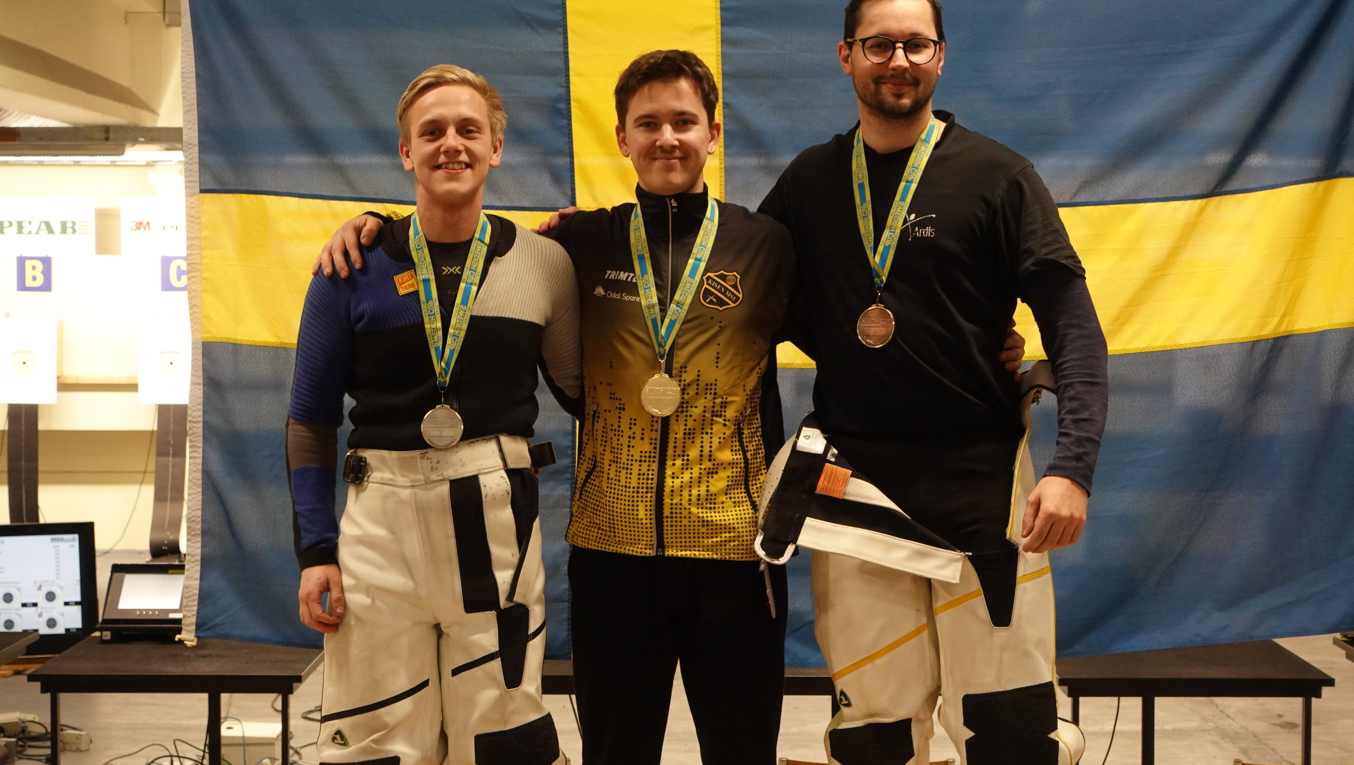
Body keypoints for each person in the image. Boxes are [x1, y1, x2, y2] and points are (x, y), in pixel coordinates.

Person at [315, 50, 1028, 765]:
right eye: (648, 123)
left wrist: (981, 345)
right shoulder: (575, 244)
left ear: (712, 134)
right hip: (611, 555)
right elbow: (470, 254)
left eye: (683, 122)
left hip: (737, 553)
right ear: (621, 137)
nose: (666, 138)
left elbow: (860, 333)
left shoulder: (767, 244)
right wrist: (375, 225)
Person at [755, 0, 1109, 763]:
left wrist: (1073, 467)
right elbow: (740, 289)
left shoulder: (999, 176)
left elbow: (1076, 330)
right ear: (846, 55)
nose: (899, 61)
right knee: (874, 741)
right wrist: (590, 241)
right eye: (879, 44)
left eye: (916, 45)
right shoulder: (810, 181)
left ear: (941, 56)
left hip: (983, 491)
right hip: (854, 495)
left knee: (1014, 737)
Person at [286, 64, 578, 765]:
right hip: (378, 528)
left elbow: (584, 394)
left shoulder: (546, 263)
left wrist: (594, 245)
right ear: (406, 152)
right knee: (375, 747)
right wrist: (316, 554)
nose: (452, 143)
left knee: (504, 741)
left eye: (469, 130)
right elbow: (309, 422)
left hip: (497, 523)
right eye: (432, 131)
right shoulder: (349, 266)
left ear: (495, 148)